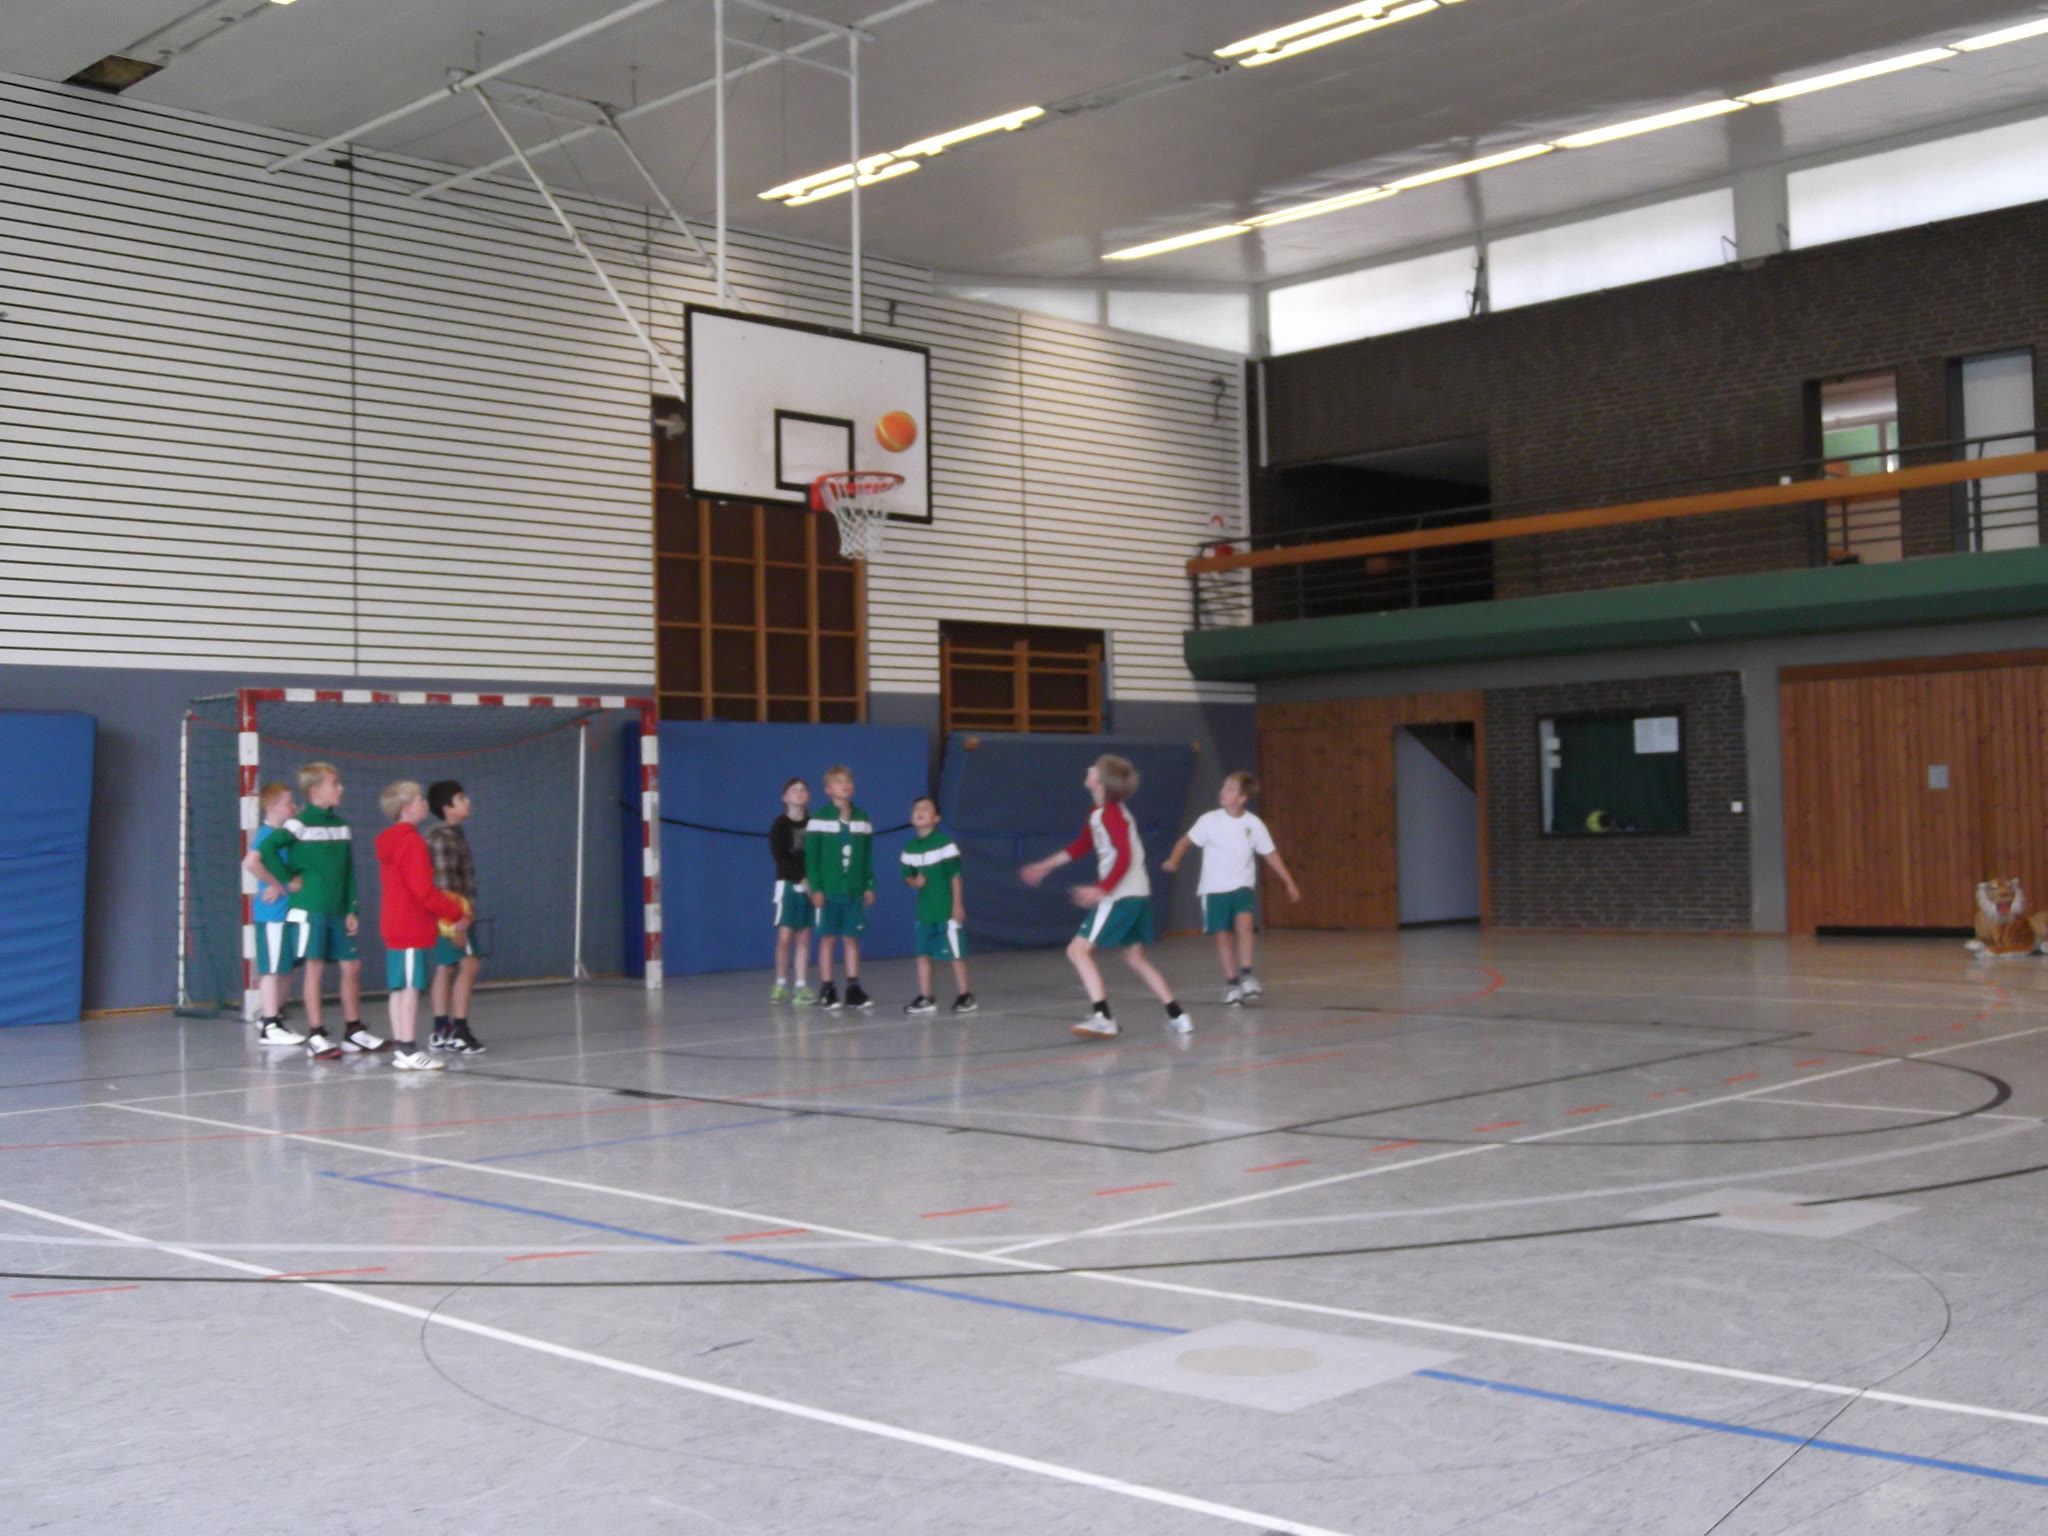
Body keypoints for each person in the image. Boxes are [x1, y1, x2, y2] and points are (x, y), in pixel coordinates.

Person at [1020, 754, 1190, 1040]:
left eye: (1094, 768)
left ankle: (1103, 1018)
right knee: (1135, 958)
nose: (1089, 768)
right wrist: (1045, 866)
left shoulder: (1109, 814)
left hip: (1120, 896)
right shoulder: (1103, 812)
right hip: (1138, 894)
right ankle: (1178, 1016)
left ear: (1099, 782)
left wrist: (1103, 888)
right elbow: (1082, 845)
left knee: (1077, 950)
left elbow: (1125, 855)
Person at [259, 761, 387, 1059]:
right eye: (334, 784)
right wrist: (288, 878)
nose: (340, 788)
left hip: (337, 910)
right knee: (314, 967)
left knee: (351, 966)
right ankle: (316, 1034)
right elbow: (266, 849)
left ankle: (353, 1031)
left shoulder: (341, 826)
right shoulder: (297, 824)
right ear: (316, 790)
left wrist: (351, 907)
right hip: (309, 909)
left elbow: (348, 871)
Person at [1162, 770, 1301, 1005]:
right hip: (1215, 889)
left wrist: (1289, 881)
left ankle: (1247, 975)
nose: (1223, 792)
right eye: (1224, 787)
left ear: (1242, 798)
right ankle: (1232, 983)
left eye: (1229, 789)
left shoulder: (1253, 824)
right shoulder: (1209, 821)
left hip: (1241, 886)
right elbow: (1185, 842)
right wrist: (1173, 860)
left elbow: (1270, 853)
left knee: (1245, 925)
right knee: (1223, 937)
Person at [374, 780, 471, 1072]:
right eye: (419, 800)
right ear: (406, 808)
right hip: (409, 925)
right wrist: (455, 913)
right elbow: (424, 891)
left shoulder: (391, 840)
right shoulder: (412, 842)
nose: (424, 804)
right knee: (409, 989)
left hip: (394, 923)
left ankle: (402, 1046)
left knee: (399, 988)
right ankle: (406, 1047)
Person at [240, 781, 308, 1047]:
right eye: (289, 802)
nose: (294, 807)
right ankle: (270, 1024)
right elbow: (251, 862)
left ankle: (275, 1013)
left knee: (289, 966)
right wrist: (275, 883)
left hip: (291, 910)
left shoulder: (287, 836)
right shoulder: (266, 834)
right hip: (273, 912)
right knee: (271, 968)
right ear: (273, 806)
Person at [805, 765, 874, 1011]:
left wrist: (868, 884)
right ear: (828, 790)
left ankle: (853, 988)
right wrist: (816, 888)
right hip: (829, 890)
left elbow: (866, 857)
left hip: (853, 890)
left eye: (847, 781)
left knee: (851, 939)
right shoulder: (818, 819)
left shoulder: (862, 818)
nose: (844, 785)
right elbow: (811, 859)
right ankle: (827, 988)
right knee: (828, 939)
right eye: (838, 782)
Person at [425, 780, 485, 1054]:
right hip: (452, 917)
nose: (467, 801)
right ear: (447, 807)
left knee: (446, 966)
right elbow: (446, 885)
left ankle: (441, 1029)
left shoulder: (451, 834)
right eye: (461, 798)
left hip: (448, 915)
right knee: (469, 964)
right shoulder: (444, 838)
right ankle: (459, 1029)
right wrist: (458, 923)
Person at [900, 796, 975, 1017]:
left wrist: (957, 905)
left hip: (946, 910)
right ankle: (926, 997)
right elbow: (907, 877)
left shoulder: (945, 844)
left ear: (936, 818)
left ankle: (965, 995)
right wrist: (915, 882)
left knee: (955, 954)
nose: (920, 811)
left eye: (926, 807)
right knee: (922, 954)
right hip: (925, 913)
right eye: (916, 808)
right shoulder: (909, 848)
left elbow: (955, 876)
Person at [769, 777, 816, 1005]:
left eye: (803, 789)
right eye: (794, 789)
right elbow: (780, 857)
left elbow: (818, 856)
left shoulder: (814, 825)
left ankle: (800, 986)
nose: (799, 792)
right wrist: (801, 879)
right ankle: (780, 984)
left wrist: (814, 882)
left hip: (810, 887)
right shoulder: (779, 825)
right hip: (788, 884)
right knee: (785, 936)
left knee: (804, 937)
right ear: (785, 797)